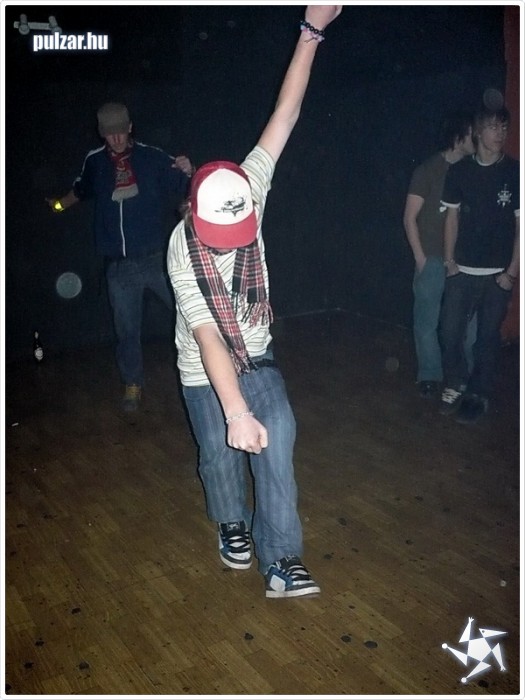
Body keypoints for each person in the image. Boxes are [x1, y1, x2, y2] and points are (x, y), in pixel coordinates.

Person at [167, 5, 342, 598]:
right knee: (220, 453)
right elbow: (207, 336)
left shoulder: (249, 187)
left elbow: (284, 114)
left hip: (257, 353)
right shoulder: (181, 250)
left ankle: (282, 559)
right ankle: (230, 521)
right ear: (195, 216)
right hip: (205, 367)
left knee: (280, 434)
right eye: (220, 238)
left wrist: (311, 31)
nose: (230, 245)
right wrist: (237, 412)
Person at [46, 102, 194, 411]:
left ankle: (208, 371)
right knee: (127, 331)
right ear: (102, 134)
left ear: (130, 128)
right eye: (109, 134)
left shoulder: (152, 157)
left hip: (156, 259)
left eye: (120, 132)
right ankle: (132, 384)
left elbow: (187, 186)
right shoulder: (95, 162)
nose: (115, 139)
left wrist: (190, 169)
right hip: (119, 266)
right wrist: (59, 205)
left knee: (190, 314)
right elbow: (80, 190)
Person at [438, 102, 520, 424]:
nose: (500, 133)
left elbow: (521, 227)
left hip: (498, 274)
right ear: (478, 131)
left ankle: (479, 393)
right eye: (493, 127)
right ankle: (455, 383)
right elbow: (452, 218)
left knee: (487, 338)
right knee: (449, 332)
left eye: (504, 127)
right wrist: (449, 262)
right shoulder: (460, 171)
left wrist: (512, 272)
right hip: (462, 270)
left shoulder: (514, 172)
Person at [403, 110, 475, 399]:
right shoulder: (429, 170)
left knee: (464, 325)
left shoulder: (471, 171)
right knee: (426, 322)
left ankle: (465, 378)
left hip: (462, 262)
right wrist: (420, 258)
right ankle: (430, 376)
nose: (477, 138)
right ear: (458, 137)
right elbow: (409, 218)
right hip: (432, 258)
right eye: (472, 134)